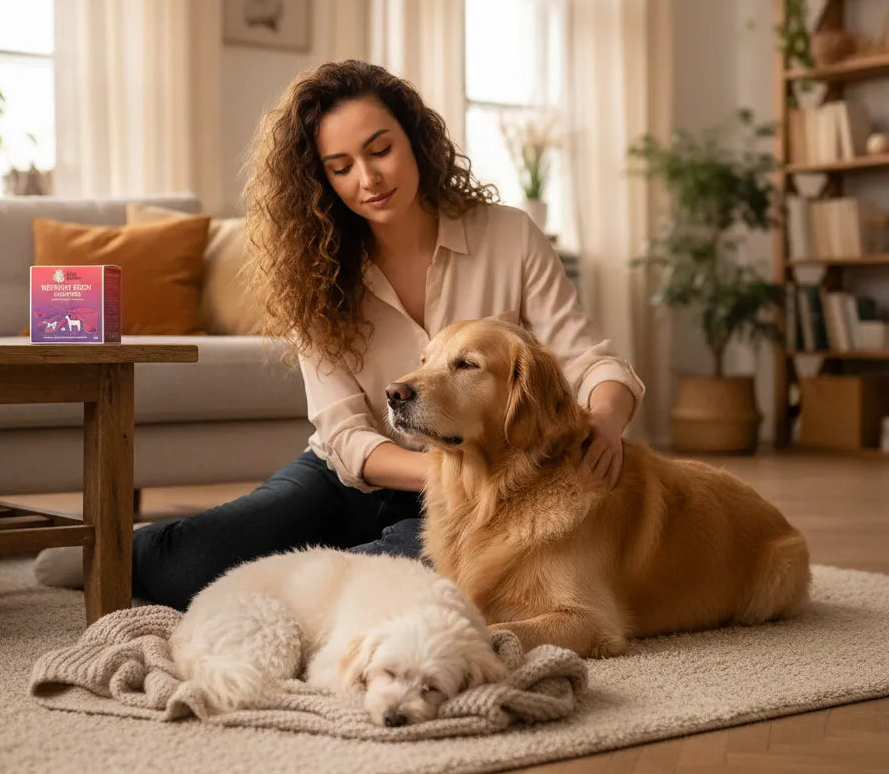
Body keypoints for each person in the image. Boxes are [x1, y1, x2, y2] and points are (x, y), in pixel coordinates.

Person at [130, 60, 644, 610]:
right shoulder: (314, 274)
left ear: (416, 140)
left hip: (486, 491)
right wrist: (445, 473)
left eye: (380, 151)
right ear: (320, 179)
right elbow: (346, 435)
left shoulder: (509, 234)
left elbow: (587, 359)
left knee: (420, 589)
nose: (368, 179)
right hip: (352, 480)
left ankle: (325, 569)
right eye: (340, 166)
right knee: (179, 565)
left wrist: (606, 421)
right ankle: (110, 550)